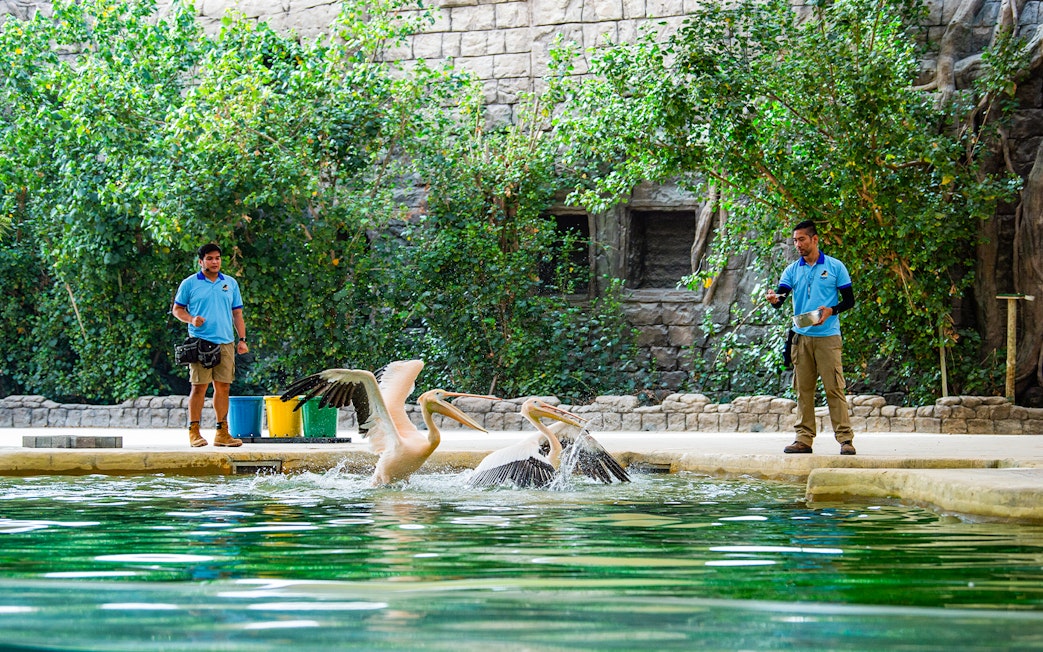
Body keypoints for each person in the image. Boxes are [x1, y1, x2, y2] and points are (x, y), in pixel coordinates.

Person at [766, 220, 856, 455]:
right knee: (803, 390)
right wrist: (775, 299)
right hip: (801, 338)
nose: (797, 244)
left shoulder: (835, 267)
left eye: (802, 239)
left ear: (815, 239)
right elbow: (780, 299)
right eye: (795, 240)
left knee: (834, 388)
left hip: (828, 338)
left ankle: (845, 440)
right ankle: (803, 439)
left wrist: (831, 310)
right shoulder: (792, 270)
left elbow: (849, 301)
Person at [171, 243, 248, 447]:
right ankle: (194, 431)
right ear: (201, 261)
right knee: (199, 387)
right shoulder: (189, 283)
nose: (215, 262)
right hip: (200, 343)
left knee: (223, 387)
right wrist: (191, 319)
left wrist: (242, 340)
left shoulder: (230, 283)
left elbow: (237, 313)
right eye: (210, 258)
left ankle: (222, 432)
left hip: (226, 342)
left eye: (218, 258)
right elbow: (177, 310)